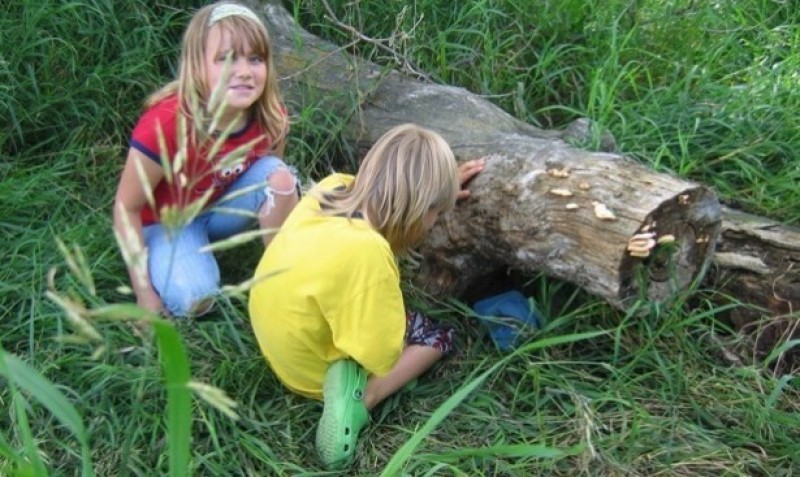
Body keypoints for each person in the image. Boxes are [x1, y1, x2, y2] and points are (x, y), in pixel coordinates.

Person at [248, 123, 484, 470]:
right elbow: (381, 354)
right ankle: (361, 399)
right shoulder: (368, 252)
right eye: (436, 212)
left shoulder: (333, 187)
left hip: (272, 333)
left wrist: (441, 187)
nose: (437, 221)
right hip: (310, 369)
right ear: (417, 209)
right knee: (439, 335)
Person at [113, 2, 298, 318]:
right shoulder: (167, 124)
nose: (243, 71)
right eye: (226, 59)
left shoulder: (269, 116)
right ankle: (178, 267)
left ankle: (286, 281)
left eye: (255, 59)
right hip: (166, 225)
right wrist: (144, 293)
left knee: (280, 179)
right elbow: (125, 207)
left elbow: (270, 169)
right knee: (195, 299)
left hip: (219, 208)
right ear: (198, 66)